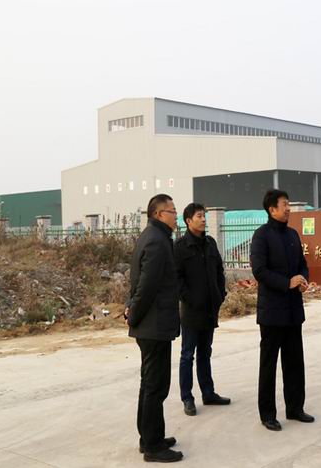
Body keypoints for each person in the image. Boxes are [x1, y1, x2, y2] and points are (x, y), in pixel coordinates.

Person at [250, 189, 314, 432]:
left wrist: (303, 279)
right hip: (272, 312)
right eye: (284, 204)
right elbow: (259, 270)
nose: (288, 208)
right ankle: (267, 414)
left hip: (293, 310)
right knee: (269, 365)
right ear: (272, 209)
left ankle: (295, 408)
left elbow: (302, 265)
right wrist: (287, 283)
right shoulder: (261, 236)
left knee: (295, 362)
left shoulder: (292, 234)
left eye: (288, 204)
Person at [126, 194, 183, 463]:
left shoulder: (151, 236)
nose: (176, 215)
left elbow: (138, 282)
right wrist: (133, 314)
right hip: (154, 325)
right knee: (156, 386)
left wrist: (132, 310)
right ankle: (153, 446)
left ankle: (148, 437)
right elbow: (146, 286)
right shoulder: (158, 241)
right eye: (173, 211)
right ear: (160, 214)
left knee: (149, 384)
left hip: (151, 324)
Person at [175, 203, 231, 416]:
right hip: (191, 310)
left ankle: (208, 393)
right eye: (199, 216)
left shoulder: (210, 243)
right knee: (187, 354)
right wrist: (190, 299)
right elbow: (177, 279)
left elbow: (219, 271)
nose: (203, 219)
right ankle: (187, 398)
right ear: (188, 221)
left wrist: (220, 294)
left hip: (210, 308)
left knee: (205, 352)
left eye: (204, 216)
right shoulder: (180, 247)